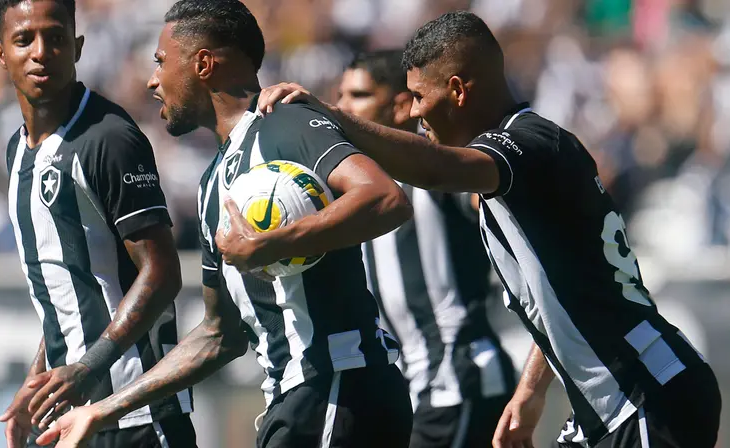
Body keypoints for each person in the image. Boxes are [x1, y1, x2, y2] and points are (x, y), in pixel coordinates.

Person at [256, 11, 722, 448]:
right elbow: (560, 298)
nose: (414, 113)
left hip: (645, 393)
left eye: (420, 97)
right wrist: (531, 390)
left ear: (457, 90)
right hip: (614, 403)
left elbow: (440, 170)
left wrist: (331, 119)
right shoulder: (517, 169)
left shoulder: (531, 142)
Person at [36, 1, 414, 447]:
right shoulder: (212, 181)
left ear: (202, 63)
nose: (152, 80)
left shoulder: (284, 122)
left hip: (339, 387)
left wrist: (274, 243)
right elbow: (220, 334)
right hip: (298, 400)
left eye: (160, 62)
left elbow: (385, 197)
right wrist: (102, 410)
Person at [0, 0, 195, 446]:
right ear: (0, 52)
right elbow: (74, 288)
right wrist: (39, 375)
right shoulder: (17, 149)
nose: (41, 52)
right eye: (24, 39)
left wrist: (89, 367)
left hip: (137, 412)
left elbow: (161, 273)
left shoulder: (108, 138)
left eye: (57, 38)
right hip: (74, 414)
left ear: (79, 47)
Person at [338, 50, 516, 448]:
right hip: (414, 390)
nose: (341, 108)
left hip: (458, 382)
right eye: (340, 95)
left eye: (358, 95)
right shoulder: (360, 177)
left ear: (401, 105)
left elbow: (493, 199)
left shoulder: (436, 168)